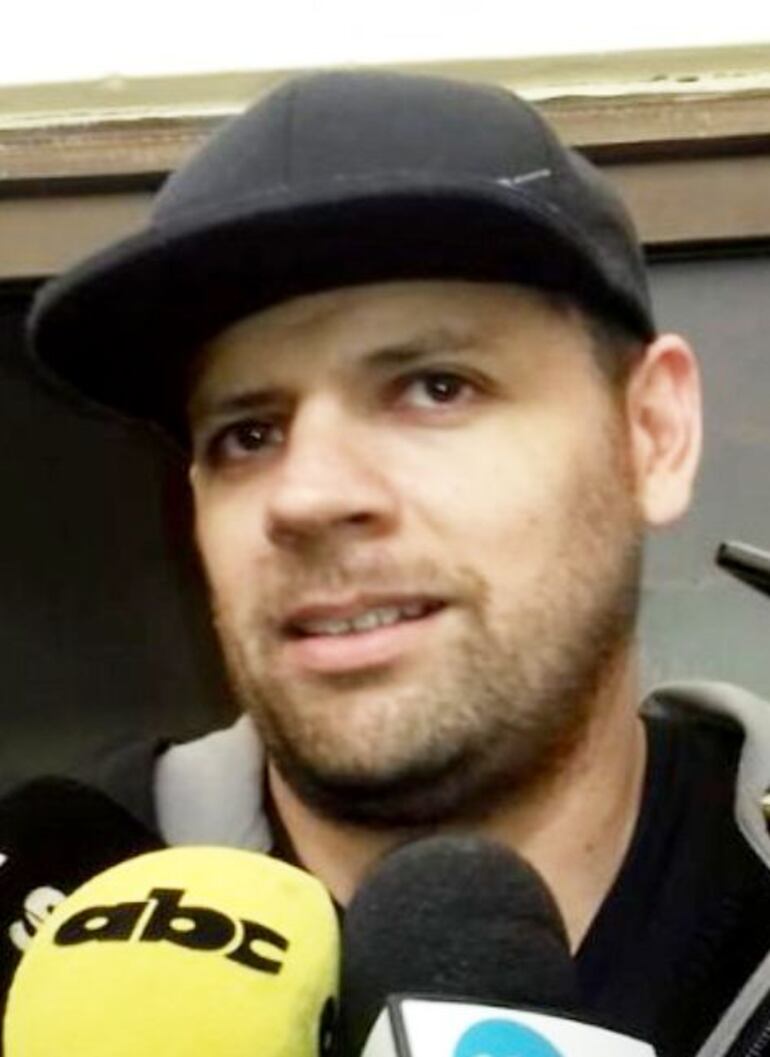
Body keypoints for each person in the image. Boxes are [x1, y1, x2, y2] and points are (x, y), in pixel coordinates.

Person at [27, 70, 770, 1057]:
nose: (306, 497)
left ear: (652, 434)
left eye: (435, 387)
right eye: (248, 433)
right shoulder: (44, 903)